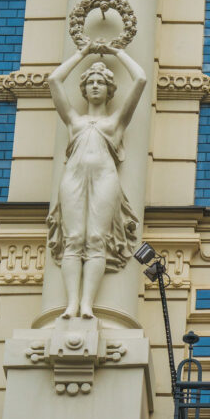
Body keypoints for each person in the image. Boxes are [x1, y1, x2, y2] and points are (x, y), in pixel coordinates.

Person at [46, 43, 147, 319]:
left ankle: (87, 304)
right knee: (74, 238)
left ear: (109, 89)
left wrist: (116, 52)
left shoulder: (115, 123)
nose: (94, 86)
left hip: (105, 179)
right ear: (83, 88)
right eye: (90, 82)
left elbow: (140, 79)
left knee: (95, 239)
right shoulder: (74, 122)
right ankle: (71, 304)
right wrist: (81, 53)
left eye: (100, 82)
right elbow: (54, 80)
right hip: (73, 179)